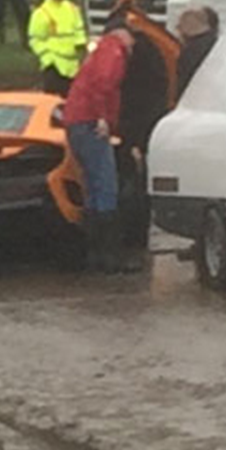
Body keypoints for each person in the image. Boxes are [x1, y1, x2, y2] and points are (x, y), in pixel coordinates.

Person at [64, 28, 137, 273]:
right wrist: (104, 118)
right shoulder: (114, 51)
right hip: (90, 122)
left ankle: (94, 255)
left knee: (94, 188)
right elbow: (103, 84)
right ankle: (110, 257)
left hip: (77, 122)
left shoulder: (100, 51)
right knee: (106, 187)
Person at [27, 0, 87, 96]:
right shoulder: (41, 13)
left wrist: (81, 46)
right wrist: (47, 57)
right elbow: (35, 38)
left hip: (72, 62)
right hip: (53, 62)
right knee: (52, 98)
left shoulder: (72, 8)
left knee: (72, 97)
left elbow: (79, 28)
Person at [175, 6, 220, 98]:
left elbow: (184, 83)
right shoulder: (218, 44)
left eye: (180, 25)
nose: (177, 29)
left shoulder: (192, 51)